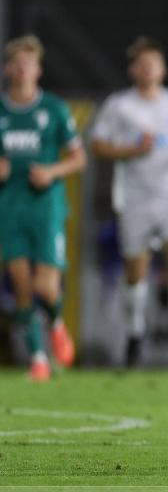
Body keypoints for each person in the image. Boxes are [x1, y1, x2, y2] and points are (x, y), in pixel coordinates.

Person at [90, 37, 168, 372]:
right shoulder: (119, 105)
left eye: (153, 62)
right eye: (141, 63)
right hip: (135, 196)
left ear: (163, 68)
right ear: (132, 69)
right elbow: (98, 146)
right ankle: (135, 334)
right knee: (135, 271)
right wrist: (131, 151)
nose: (148, 68)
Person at [0, 34, 85, 381]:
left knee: (45, 288)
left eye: (28, 63)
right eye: (16, 63)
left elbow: (79, 158)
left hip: (46, 207)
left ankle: (57, 322)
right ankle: (38, 358)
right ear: (8, 69)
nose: (22, 69)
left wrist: (50, 171)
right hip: (10, 207)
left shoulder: (54, 109)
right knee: (20, 284)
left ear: (38, 69)